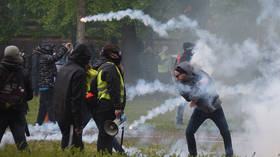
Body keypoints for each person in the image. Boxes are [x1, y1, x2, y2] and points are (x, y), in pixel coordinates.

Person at [174, 61, 233, 157]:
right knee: (189, 132)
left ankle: (229, 154)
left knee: (225, 131)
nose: (176, 79)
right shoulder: (180, 84)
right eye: (175, 76)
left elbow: (210, 83)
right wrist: (198, 92)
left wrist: (197, 94)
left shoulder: (200, 73)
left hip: (215, 107)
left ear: (184, 73)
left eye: (178, 76)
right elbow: (188, 98)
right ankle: (193, 154)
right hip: (200, 110)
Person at [53, 43, 91, 150]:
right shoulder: (79, 72)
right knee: (70, 148)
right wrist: (78, 123)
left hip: (60, 111)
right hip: (69, 116)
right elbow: (77, 99)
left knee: (75, 146)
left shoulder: (64, 67)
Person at [90, 44, 126, 154]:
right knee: (106, 136)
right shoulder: (110, 67)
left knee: (105, 134)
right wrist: (118, 107)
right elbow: (114, 88)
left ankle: (105, 153)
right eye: (118, 54)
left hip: (102, 105)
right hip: (108, 105)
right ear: (112, 55)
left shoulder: (101, 66)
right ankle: (105, 154)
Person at [0, 46, 33, 150]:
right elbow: (30, 95)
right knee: (22, 144)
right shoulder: (23, 72)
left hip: (1, 111)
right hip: (17, 112)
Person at [35, 42, 70, 125]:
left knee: (43, 106)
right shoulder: (45, 57)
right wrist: (64, 48)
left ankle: (38, 123)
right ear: (47, 48)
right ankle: (53, 123)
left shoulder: (42, 56)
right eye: (52, 48)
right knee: (49, 105)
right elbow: (56, 57)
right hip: (47, 85)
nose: (54, 50)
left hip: (45, 85)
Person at [175, 42, 195, 125]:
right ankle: (179, 120)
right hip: (186, 81)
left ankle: (179, 120)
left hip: (183, 80)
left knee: (194, 99)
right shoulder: (187, 57)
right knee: (194, 99)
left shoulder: (181, 56)